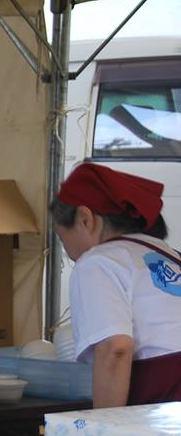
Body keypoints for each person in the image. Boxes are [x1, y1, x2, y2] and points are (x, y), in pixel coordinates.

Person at [50, 162, 181, 408]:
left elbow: (115, 348)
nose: (67, 251)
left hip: (167, 405)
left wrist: (106, 430)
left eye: (62, 237)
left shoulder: (98, 261)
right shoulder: (172, 255)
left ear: (85, 219)